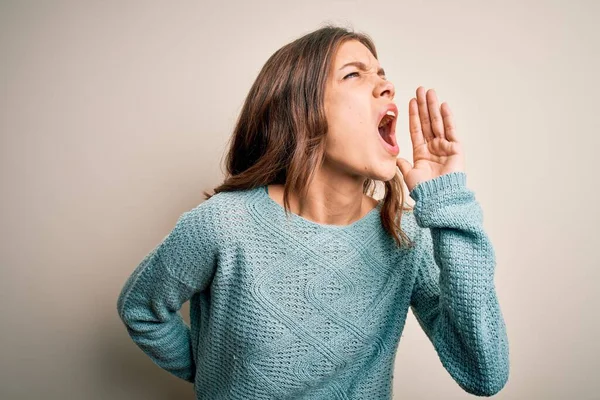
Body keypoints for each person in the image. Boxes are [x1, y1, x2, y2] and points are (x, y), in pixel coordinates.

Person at [116, 24, 509, 399]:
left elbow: (483, 373)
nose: (387, 87)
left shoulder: (405, 234)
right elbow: (141, 308)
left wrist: (447, 203)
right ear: (300, 109)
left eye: (382, 74)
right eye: (354, 74)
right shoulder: (222, 224)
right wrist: (214, 376)